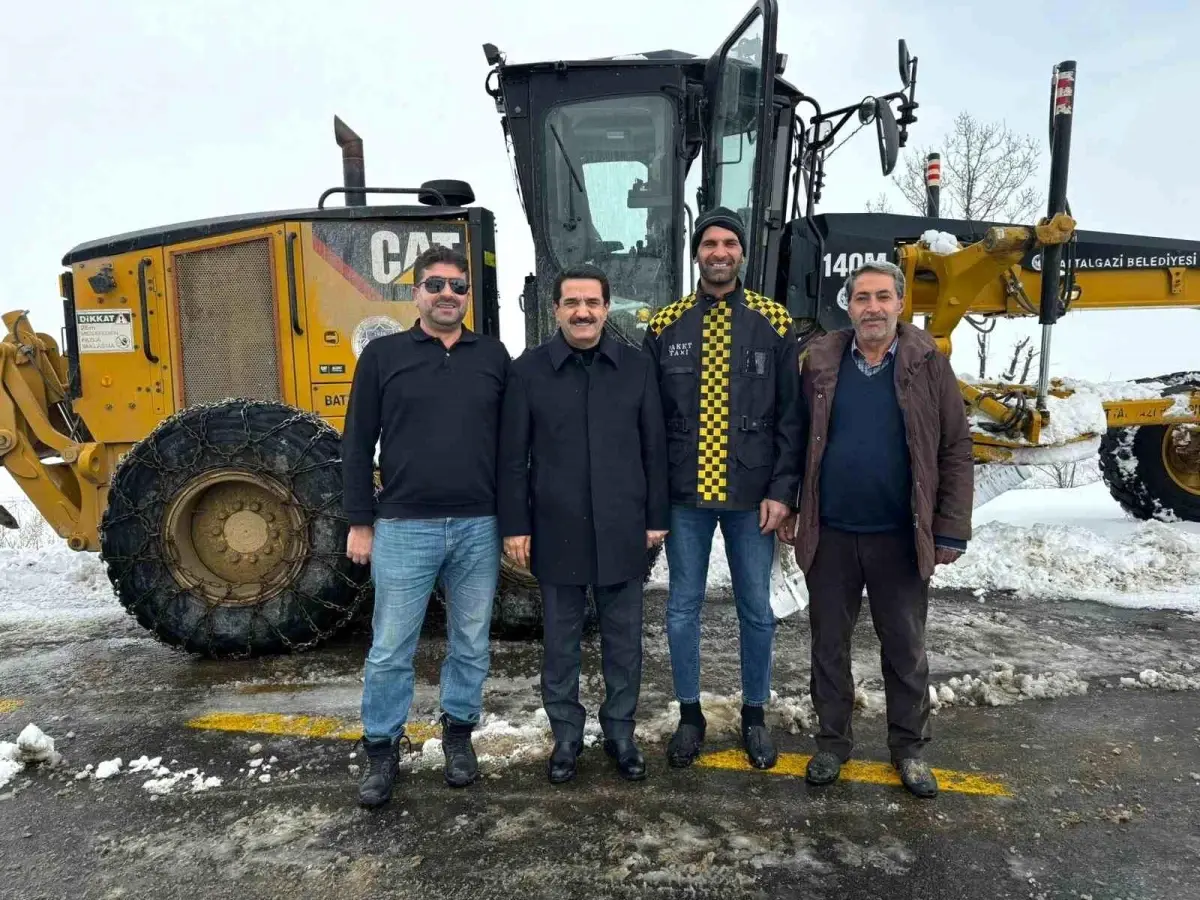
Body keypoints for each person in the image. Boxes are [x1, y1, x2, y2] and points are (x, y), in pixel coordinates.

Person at [780, 259, 974, 799]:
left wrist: (950, 527)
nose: (873, 308)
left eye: (883, 297)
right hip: (831, 533)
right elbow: (794, 439)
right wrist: (790, 505)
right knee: (828, 646)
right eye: (862, 297)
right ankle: (832, 743)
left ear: (900, 304)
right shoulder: (819, 362)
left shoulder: (928, 364)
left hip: (899, 535)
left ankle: (909, 749)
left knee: (905, 648)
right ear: (848, 306)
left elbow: (955, 448)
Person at [342, 244, 512, 808]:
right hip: (403, 526)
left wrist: (514, 521)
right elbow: (356, 442)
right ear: (415, 292)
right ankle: (381, 749)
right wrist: (359, 521)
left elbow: (512, 447)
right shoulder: (383, 356)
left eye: (458, 286)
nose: (447, 295)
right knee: (391, 647)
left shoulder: (493, 356)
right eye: (435, 284)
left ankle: (458, 736)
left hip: (478, 526)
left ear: (468, 296)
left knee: (471, 642)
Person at [642, 207, 805, 770]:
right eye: (709, 243)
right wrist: (652, 498)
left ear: (741, 253)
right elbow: (648, 421)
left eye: (729, 243)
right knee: (681, 609)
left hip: (752, 497)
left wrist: (783, 491)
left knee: (756, 608)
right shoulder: (665, 324)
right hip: (683, 496)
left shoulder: (773, 321)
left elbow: (791, 416)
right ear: (697, 253)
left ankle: (754, 716)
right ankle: (690, 716)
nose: (719, 252)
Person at [499, 264, 669, 784]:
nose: (583, 312)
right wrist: (516, 525)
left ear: (606, 308)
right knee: (561, 644)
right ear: (555, 310)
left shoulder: (637, 368)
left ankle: (621, 733)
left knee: (624, 641)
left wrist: (656, 516)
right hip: (557, 526)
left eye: (592, 302)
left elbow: (655, 449)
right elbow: (512, 458)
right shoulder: (528, 371)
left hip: (622, 526)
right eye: (572, 302)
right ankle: (566, 736)